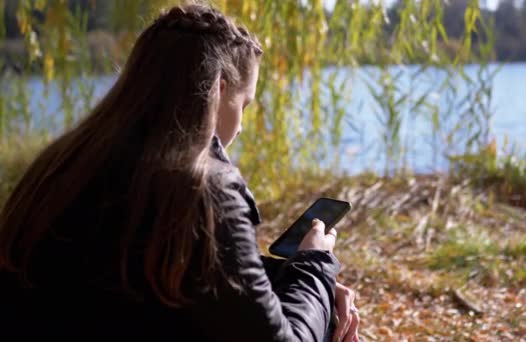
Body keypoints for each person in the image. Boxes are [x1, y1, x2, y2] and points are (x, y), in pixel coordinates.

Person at [0, 3, 361, 341]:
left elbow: (147, 271)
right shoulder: (202, 188)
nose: (240, 127)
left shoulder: (65, 164)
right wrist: (314, 262)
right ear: (219, 90)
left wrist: (290, 277)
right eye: (244, 105)